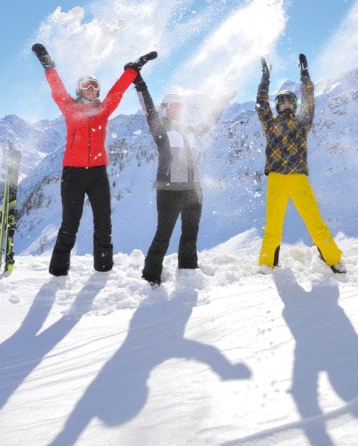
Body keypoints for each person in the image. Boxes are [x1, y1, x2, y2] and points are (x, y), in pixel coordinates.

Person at [31, 43, 156, 276]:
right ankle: (58, 271)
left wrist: (133, 69)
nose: (91, 89)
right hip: (73, 174)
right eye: (87, 86)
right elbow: (57, 89)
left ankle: (104, 267)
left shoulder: (103, 110)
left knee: (103, 223)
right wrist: (48, 64)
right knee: (70, 224)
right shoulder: (70, 109)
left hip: (98, 173)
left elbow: (117, 92)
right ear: (79, 90)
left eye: (95, 87)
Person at [134, 74, 234, 285]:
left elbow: (209, 121)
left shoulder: (190, 129)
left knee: (191, 233)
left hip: (194, 190)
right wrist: (140, 83)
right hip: (169, 191)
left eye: (180, 106)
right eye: (173, 106)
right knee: (163, 235)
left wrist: (221, 103)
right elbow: (148, 109)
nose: (177, 109)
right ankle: (151, 277)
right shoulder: (160, 129)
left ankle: (188, 270)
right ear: (165, 108)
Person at [256, 53, 345, 273]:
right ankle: (267, 264)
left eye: (290, 101)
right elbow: (260, 103)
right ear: (277, 106)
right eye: (282, 102)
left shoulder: (302, 123)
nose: (286, 104)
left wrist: (305, 75)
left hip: (298, 178)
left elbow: (310, 100)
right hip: (276, 178)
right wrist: (265, 78)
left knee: (315, 222)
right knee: (273, 227)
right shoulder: (270, 123)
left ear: (294, 105)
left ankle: (333, 259)